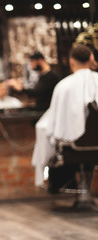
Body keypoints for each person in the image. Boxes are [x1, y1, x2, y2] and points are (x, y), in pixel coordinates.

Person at [31, 44, 98, 187]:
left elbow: (52, 124)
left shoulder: (63, 86)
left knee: (45, 132)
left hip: (73, 147)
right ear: (90, 59)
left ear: (71, 62)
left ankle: (52, 183)